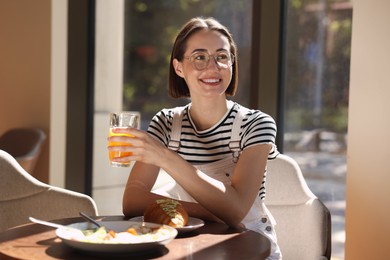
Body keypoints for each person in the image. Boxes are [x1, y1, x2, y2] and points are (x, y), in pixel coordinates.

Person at [108, 17, 282, 259]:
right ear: (179, 67)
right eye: (199, 57)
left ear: (232, 63)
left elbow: (237, 212)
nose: (213, 67)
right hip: (194, 244)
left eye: (222, 56)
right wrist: (207, 212)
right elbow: (133, 200)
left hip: (251, 246)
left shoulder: (257, 124)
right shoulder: (167, 122)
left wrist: (164, 157)